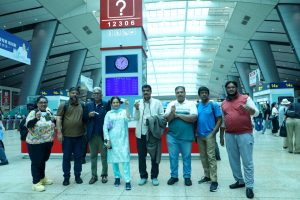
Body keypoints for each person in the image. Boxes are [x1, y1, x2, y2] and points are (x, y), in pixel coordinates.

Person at [221, 81, 258, 199]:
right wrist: (221, 136)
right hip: (229, 135)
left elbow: (256, 113)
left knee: (247, 161)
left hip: (244, 134)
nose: (231, 89)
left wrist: (249, 110)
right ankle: (239, 181)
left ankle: (249, 186)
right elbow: (223, 120)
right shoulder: (224, 103)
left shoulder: (246, 98)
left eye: (233, 87)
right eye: (228, 87)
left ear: (236, 88)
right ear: (226, 89)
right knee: (233, 160)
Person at [165, 86, 197, 186]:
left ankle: (187, 177)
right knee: (173, 157)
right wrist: (172, 113)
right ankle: (174, 176)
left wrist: (178, 115)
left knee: (186, 157)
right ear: (175, 94)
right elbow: (167, 119)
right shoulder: (171, 104)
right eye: (177, 92)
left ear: (185, 93)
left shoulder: (191, 104)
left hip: (186, 136)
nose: (179, 94)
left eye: (181, 92)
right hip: (172, 136)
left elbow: (193, 118)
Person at [133, 84, 164, 186]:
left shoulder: (157, 102)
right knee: (141, 157)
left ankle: (154, 177)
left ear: (151, 92)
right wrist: (137, 109)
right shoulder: (137, 103)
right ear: (142, 92)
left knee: (154, 157)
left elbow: (162, 117)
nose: (145, 92)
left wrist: (152, 120)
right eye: (144, 91)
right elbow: (136, 118)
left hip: (153, 134)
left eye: (147, 90)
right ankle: (143, 176)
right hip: (140, 134)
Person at [56, 87, 86, 186]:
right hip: (67, 137)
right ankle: (66, 177)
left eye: (76, 93)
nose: (74, 95)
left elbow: (85, 119)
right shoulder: (63, 105)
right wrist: (59, 133)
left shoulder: (82, 105)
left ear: (78, 94)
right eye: (73, 93)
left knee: (78, 157)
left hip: (80, 137)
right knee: (66, 157)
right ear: (69, 94)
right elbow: (59, 119)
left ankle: (77, 176)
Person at [25, 96, 55, 191]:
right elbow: (28, 125)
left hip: (46, 142)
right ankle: (36, 182)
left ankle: (42, 178)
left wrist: (53, 119)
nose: (43, 104)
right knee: (36, 162)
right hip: (35, 143)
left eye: (45, 102)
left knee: (43, 161)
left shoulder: (48, 112)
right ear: (37, 103)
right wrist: (36, 119)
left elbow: (48, 123)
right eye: (41, 102)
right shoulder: (33, 113)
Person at [196, 87, 222, 192]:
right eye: (202, 93)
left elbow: (219, 119)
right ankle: (207, 176)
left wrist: (213, 132)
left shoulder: (213, 105)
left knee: (211, 157)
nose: (204, 94)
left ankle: (214, 180)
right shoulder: (197, 105)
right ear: (199, 95)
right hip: (200, 136)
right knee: (203, 157)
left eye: (206, 93)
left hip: (209, 135)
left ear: (208, 94)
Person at [103, 97, 132, 190]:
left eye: (117, 102)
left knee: (125, 161)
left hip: (123, 140)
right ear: (111, 104)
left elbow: (129, 119)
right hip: (113, 141)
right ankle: (117, 178)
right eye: (114, 102)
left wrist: (127, 107)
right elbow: (105, 127)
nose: (116, 104)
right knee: (114, 161)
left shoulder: (123, 111)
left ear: (120, 103)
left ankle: (127, 181)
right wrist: (107, 139)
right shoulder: (108, 114)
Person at [84, 87, 110, 184]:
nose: (96, 95)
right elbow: (84, 118)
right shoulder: (88, 105)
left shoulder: (106, 104)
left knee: (104, 156)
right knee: (93, 156)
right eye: (94, 93)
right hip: (92, 135)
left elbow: (109, 118)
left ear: (101, 94)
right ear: (92, 95)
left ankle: (104, 175)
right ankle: (93, 176)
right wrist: (88, 115)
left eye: (98, 93)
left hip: (102, 135)